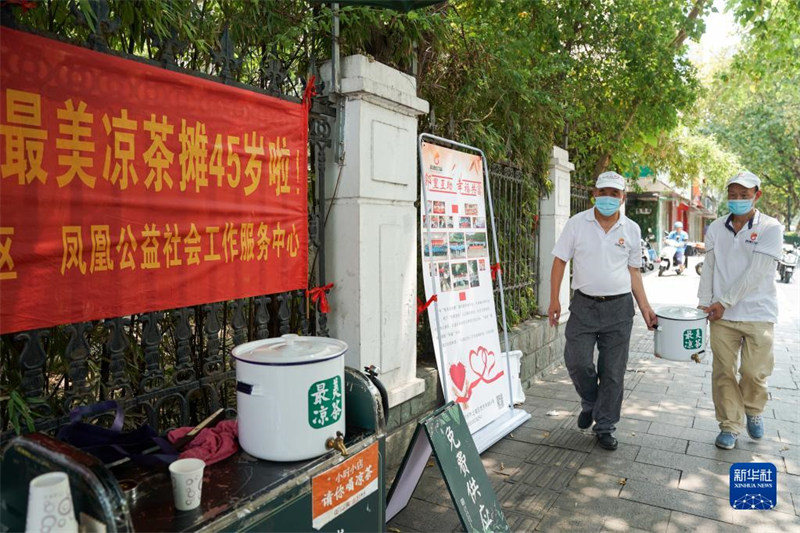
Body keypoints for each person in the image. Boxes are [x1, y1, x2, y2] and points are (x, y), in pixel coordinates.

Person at [548, 171, 658, 450]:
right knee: (577, 360)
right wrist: (554, 300)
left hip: (619, 309)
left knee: (613, 371)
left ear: (622, 198)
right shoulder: (577, 224)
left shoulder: (631, 229)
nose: (608, 198)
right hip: (584, 305)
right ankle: (590, 401)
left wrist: (645, 307)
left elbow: (634, 271)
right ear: (594, 194)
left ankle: (605, 425)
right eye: (603, 192)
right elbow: (560, 260)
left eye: (614, 193)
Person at [697, 171, 783, 450]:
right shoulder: (716, 228)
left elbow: (756, 272)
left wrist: (724, 302)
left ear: (756, 196)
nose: (737, 200)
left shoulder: (771, 228)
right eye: (732, 195)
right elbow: (709, 267)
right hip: (722, 317)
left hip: (758, 313)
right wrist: (704, 303)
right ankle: (730, 425)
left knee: (753, 372)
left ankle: (753, 409)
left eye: (743, 195)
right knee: (723, 371)